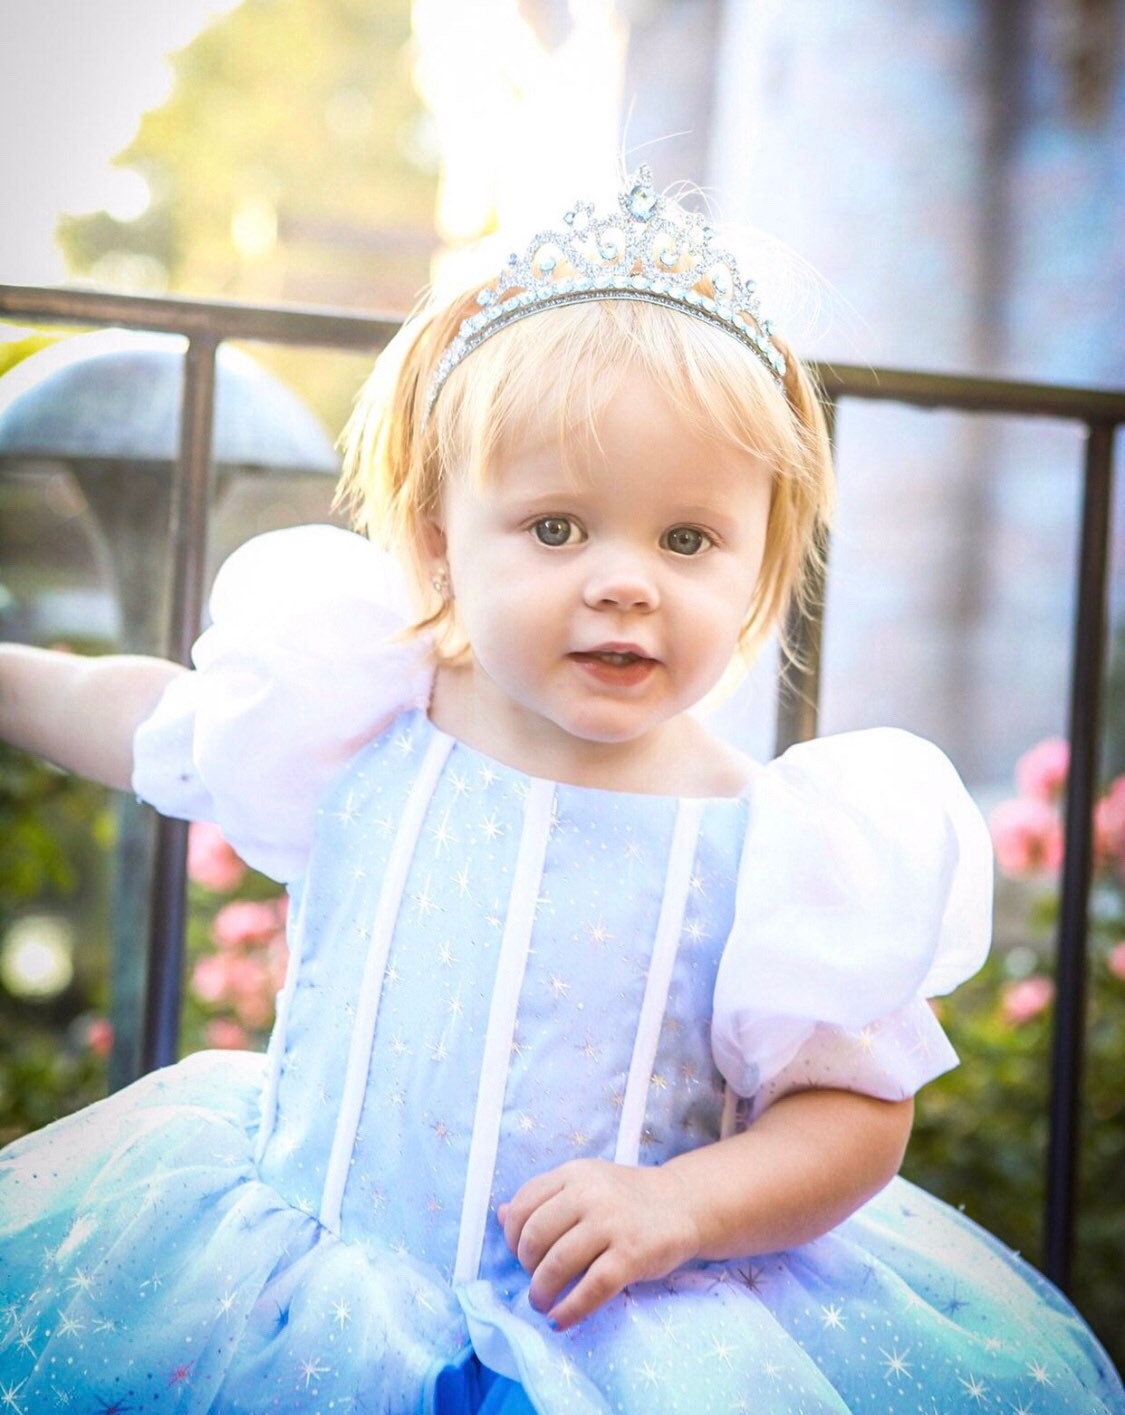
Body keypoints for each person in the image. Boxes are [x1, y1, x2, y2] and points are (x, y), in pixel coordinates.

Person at [0, 167, 1120, 1415]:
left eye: (688, 539)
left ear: (763, 557)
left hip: (618, 1349)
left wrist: (683, 1203)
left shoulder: (776, 842)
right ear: (437, 536)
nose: (625, 581)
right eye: (555, 527)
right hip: (297, 1307)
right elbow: (152, 715)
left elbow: (855, 1115)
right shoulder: (365, 718)